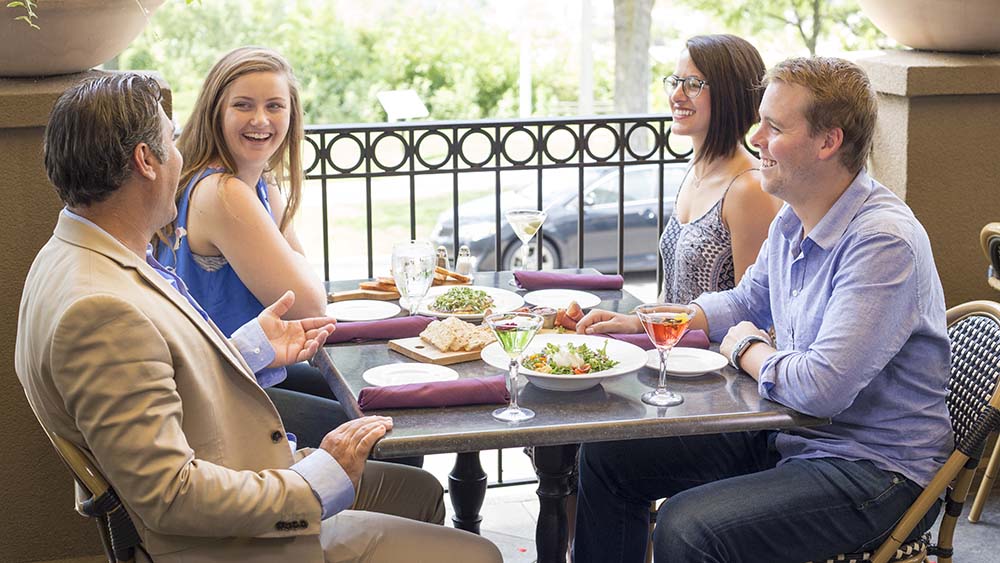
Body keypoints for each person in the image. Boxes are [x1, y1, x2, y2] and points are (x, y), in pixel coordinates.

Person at [15, 73, 501, 563]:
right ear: (145, 161)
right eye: (172, 139)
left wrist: (250, 348)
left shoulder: (73, 254)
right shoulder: (100, 312)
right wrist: (319, 480)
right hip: (231, 543)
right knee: (480, 554)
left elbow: (159, 370)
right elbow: (171, 496)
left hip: (240, 473)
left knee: (418, 491)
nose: (181, 156)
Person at [571, 57, 952, 563]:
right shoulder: (796, 216)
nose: (755, 137)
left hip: (874, 471)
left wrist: (745, 347)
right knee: (607, 456)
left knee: (688, 527)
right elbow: (746, 302)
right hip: (793, 434)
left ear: (827, 142)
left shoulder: (882, 241)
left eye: (773, 126)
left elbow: (820, 389)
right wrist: (652, 320)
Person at [153, 46, 367, 453]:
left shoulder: (256, 182)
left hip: (244, 371)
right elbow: (310, 304)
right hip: (218, 396)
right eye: (243, 106)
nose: (260, 120)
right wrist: (301, 275)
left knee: (369, 398)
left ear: (291, 115)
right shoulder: (222, 192)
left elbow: (303, 280)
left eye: (274, 106)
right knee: (380, 428)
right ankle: (322, 513)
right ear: (216, 111)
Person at [659, 34, 781, 303]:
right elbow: (667, 296)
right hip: (671, 341)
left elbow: (752, 310)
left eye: (693, 84)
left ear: (729, 95)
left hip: (713, 345)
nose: (677, 96)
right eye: (675, 82)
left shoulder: (748, 189)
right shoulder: (693, 171)